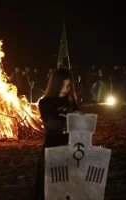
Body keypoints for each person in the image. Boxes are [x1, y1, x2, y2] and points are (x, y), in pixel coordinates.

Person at [34, 67, 78, 200]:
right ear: (55, 84)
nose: (65, 89)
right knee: (50, 188)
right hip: (53, 148)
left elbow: (78, 124)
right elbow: (51, 127)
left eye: (68, 86)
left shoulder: (71, 103)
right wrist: (69, 122)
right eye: (62, 85)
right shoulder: (45, 103)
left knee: (67, 189)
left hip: (70, 148)